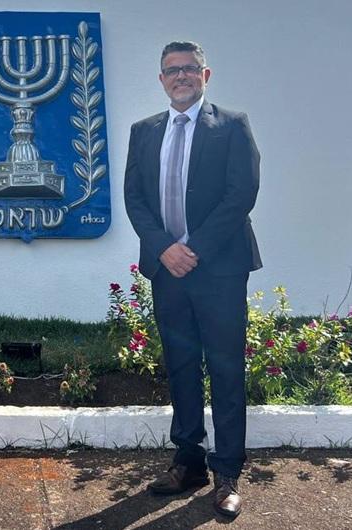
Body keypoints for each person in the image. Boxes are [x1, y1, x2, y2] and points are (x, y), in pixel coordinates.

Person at [123, 41, 261, 518]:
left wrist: (194, 248)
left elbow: (241, 193)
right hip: (168, 270)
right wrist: (165, 247)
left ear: (206, 75)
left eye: (189, 68)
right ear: (161, 79)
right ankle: (188, 462)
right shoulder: (144, 131)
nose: (180, 76)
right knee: (181, 365)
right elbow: (135, 198)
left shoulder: (232, 125)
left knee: (225, 368)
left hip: (218, 268)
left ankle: (227, 473)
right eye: (171, 70)